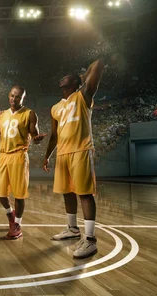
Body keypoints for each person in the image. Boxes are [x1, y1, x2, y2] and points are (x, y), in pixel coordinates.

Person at [42, 57, 107, 259]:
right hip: (62, 153)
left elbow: (98, 65)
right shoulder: (55, 108)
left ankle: (90, 240)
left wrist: (83, 76)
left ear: (75, 82)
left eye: (66, 77)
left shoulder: (84, 95)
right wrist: (46, 157)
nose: (62, 79)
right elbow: (54, 135)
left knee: (85, 194)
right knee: (67, 192)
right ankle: (72, 229)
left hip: (81, 149)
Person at [0, 85, 45, 239]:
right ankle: (10, 214)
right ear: (9, 95)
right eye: (12, 96)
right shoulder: (2, 115)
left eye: (18, 97)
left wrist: (37, 139)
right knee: (0, 193)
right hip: (3, 156)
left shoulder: (30, 114)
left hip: (19, 155)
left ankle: (17, 225)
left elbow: (35, 135)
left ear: (23, 98)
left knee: (19, 194)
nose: (14, 99)